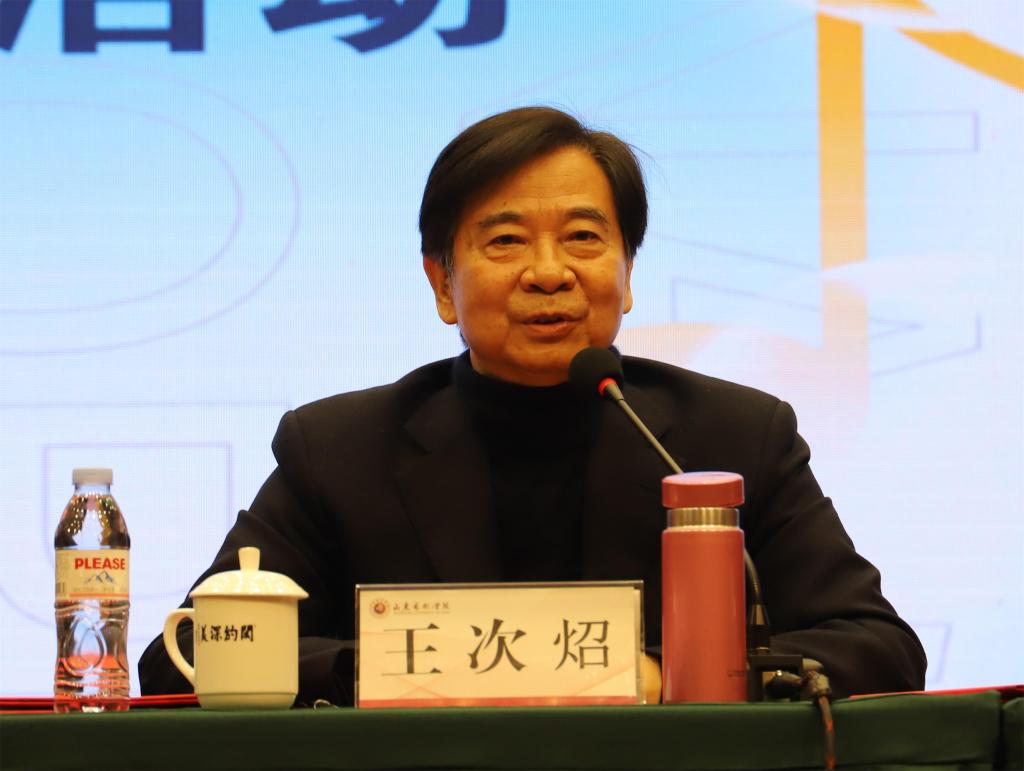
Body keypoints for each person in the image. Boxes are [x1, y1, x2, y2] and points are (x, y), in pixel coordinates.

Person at [139, 106, 926, 704]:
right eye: (506, 241)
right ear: (443, 284)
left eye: (583, 237)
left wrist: (680, 676)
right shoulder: (339, 449)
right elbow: (184, 658)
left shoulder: (734, 436)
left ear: (627, 272)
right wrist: (404, 669)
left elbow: (879, 648)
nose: (549, 272)